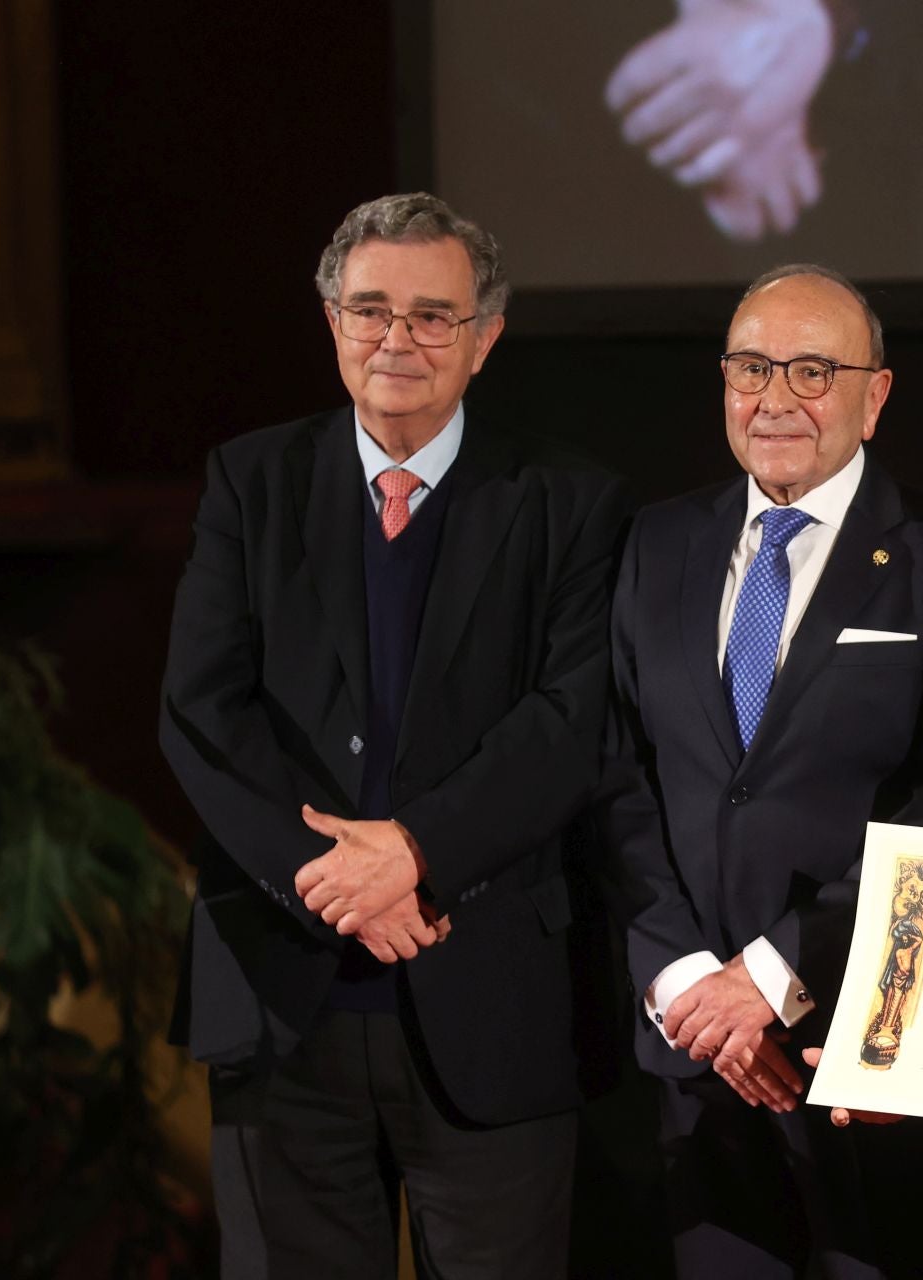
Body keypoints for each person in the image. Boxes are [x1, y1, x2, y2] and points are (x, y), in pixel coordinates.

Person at [158, 192, 630, 1278]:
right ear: (331, 322)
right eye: (370, 309)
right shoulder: (250, 479)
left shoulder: (570, 501)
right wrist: (330, 873)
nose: (397, 339)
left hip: (494, 997)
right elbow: (200, 710)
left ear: (486, 338)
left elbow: (569, 723)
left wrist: (414, 852)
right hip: (283, 997)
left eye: (433, 315)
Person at [596, 263, 923, 1277]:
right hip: (691, 1059)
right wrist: (689, 983)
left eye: (813, 370)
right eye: (751, 367)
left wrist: (774, 973)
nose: (774, 398)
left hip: (860, 1048)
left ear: (877, 392)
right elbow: (618, 775)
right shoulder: (657, 543)